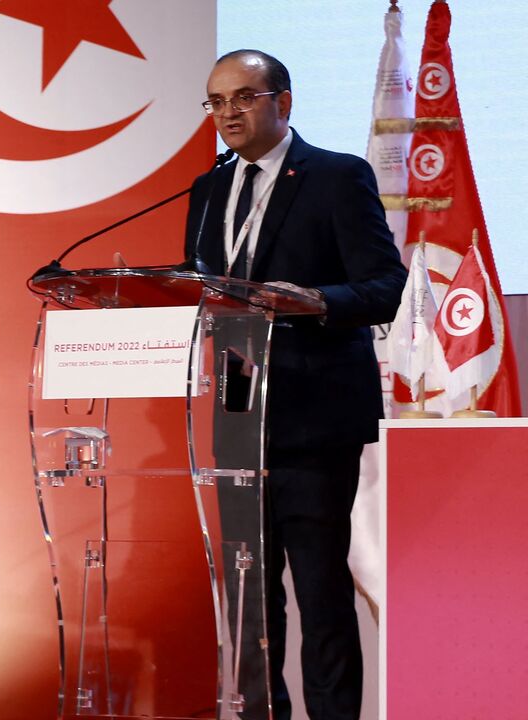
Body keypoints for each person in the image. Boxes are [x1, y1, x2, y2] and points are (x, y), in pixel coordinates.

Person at [183, 50, 406, 720]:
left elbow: (385, 286)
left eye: (243, 97)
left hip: (315, 417)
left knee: (320, 592)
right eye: (216, 101)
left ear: (283, 101)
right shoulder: (208, 189)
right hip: (238, 413)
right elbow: (204, 285)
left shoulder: (337, 176)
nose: (228, 113)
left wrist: (315, 299)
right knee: (250, 598)